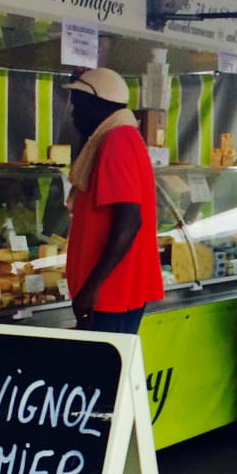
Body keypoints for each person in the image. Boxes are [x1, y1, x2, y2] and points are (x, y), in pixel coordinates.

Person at [64, 68, 164, 334]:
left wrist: (92, 286)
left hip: (111, 295)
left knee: (102, 371)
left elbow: (129, 221)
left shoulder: (117, 140)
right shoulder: (122, 136)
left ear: (97, 105)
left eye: (78, 106)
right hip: (112, 293)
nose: (73, 115)